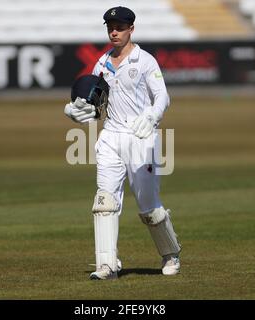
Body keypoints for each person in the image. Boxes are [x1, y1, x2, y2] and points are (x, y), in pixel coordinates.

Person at [64, 6, 181, 280]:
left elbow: (162, 97)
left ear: (131, 29)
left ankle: (170, 253)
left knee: (149, 207)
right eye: (110, 27)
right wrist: (76, 111)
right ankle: (107, 264)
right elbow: (95, 107)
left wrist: (152, 116)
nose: (114, 31)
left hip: (141, 137)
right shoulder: (101, 63)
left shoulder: (145, 61)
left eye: (119, 26)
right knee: (104, 201)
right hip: (110, 138)